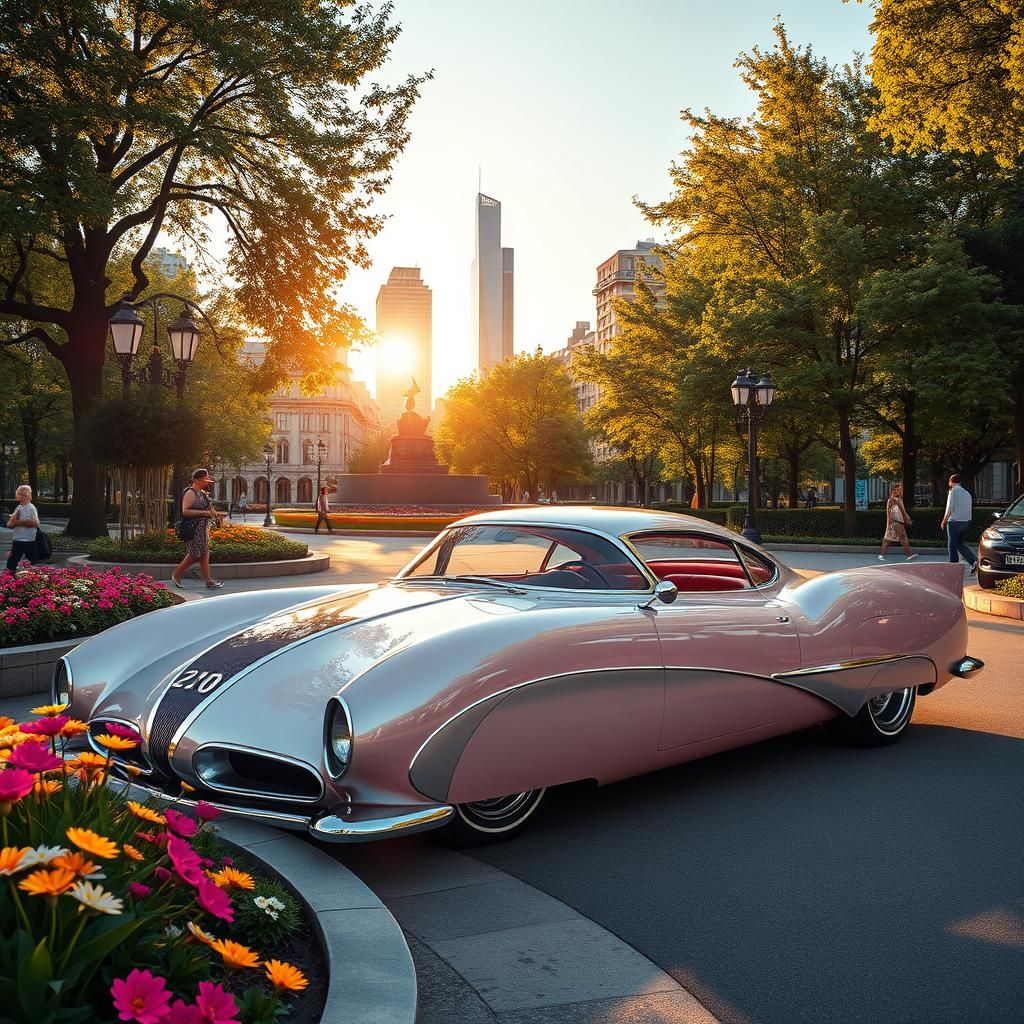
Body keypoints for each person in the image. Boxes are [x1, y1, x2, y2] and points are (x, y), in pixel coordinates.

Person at [171, 469, 225, 589]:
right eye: (203, 480)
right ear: (196, 480)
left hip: (202, 528)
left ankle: (209, 581)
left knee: (204, 554)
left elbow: (209, 510)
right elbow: (185, 511)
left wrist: (215, 515)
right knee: (194, 554)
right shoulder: (190, 492)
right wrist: (204, 512)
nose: (206, 483)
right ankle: (176, 574)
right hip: (194, 528)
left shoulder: (202, 493)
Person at [940, 473, 976, 573]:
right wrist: (969, 520)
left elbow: (950, 507)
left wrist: (944, 520)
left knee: (951, 544)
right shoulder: (967, 493)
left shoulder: (953, 492)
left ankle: (953, 566)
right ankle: (973, 561)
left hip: (954, 522)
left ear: (951, 482)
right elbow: (969, 508)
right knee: (960, 544)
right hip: (965, 522)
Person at [5, 484, 41, 574]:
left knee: (33, 560)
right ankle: (9, 577)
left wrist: (20, 522)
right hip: (17, 539)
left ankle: (36, 577)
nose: (22, 497)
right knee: (12, 560)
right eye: (20, 495)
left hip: (29, 540)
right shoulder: (18, 508)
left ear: (29, 496)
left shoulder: (31, 508)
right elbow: (10, 524)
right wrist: (13, 522)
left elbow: (36, 523)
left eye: (24, 495)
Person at [878, 483, 917, 561]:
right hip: (895, 522)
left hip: (897, 522)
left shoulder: (897, 499)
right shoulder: (893, 500)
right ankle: (883, 555)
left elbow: (902, 511)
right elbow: (889, 512)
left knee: (898, 538)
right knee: (890, 539)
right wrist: (889, 523)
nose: (896, 491)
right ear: (891, 491)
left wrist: (906, 518)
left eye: (898, 490)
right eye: (894, 490)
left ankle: (908, 555)